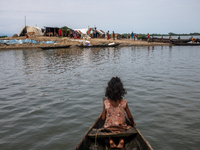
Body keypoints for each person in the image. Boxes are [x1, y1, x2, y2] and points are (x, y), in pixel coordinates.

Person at [102, 76, 136, 148]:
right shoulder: (124, 102)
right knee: (124, 128)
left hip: (109, 127)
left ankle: (111, 140)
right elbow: (130, 116)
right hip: (121, 127)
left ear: (109, 90)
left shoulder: (106, 102)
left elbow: (103, 118)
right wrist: (132, 123)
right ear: (121, 89)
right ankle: (121, 139)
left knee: (106, 129)